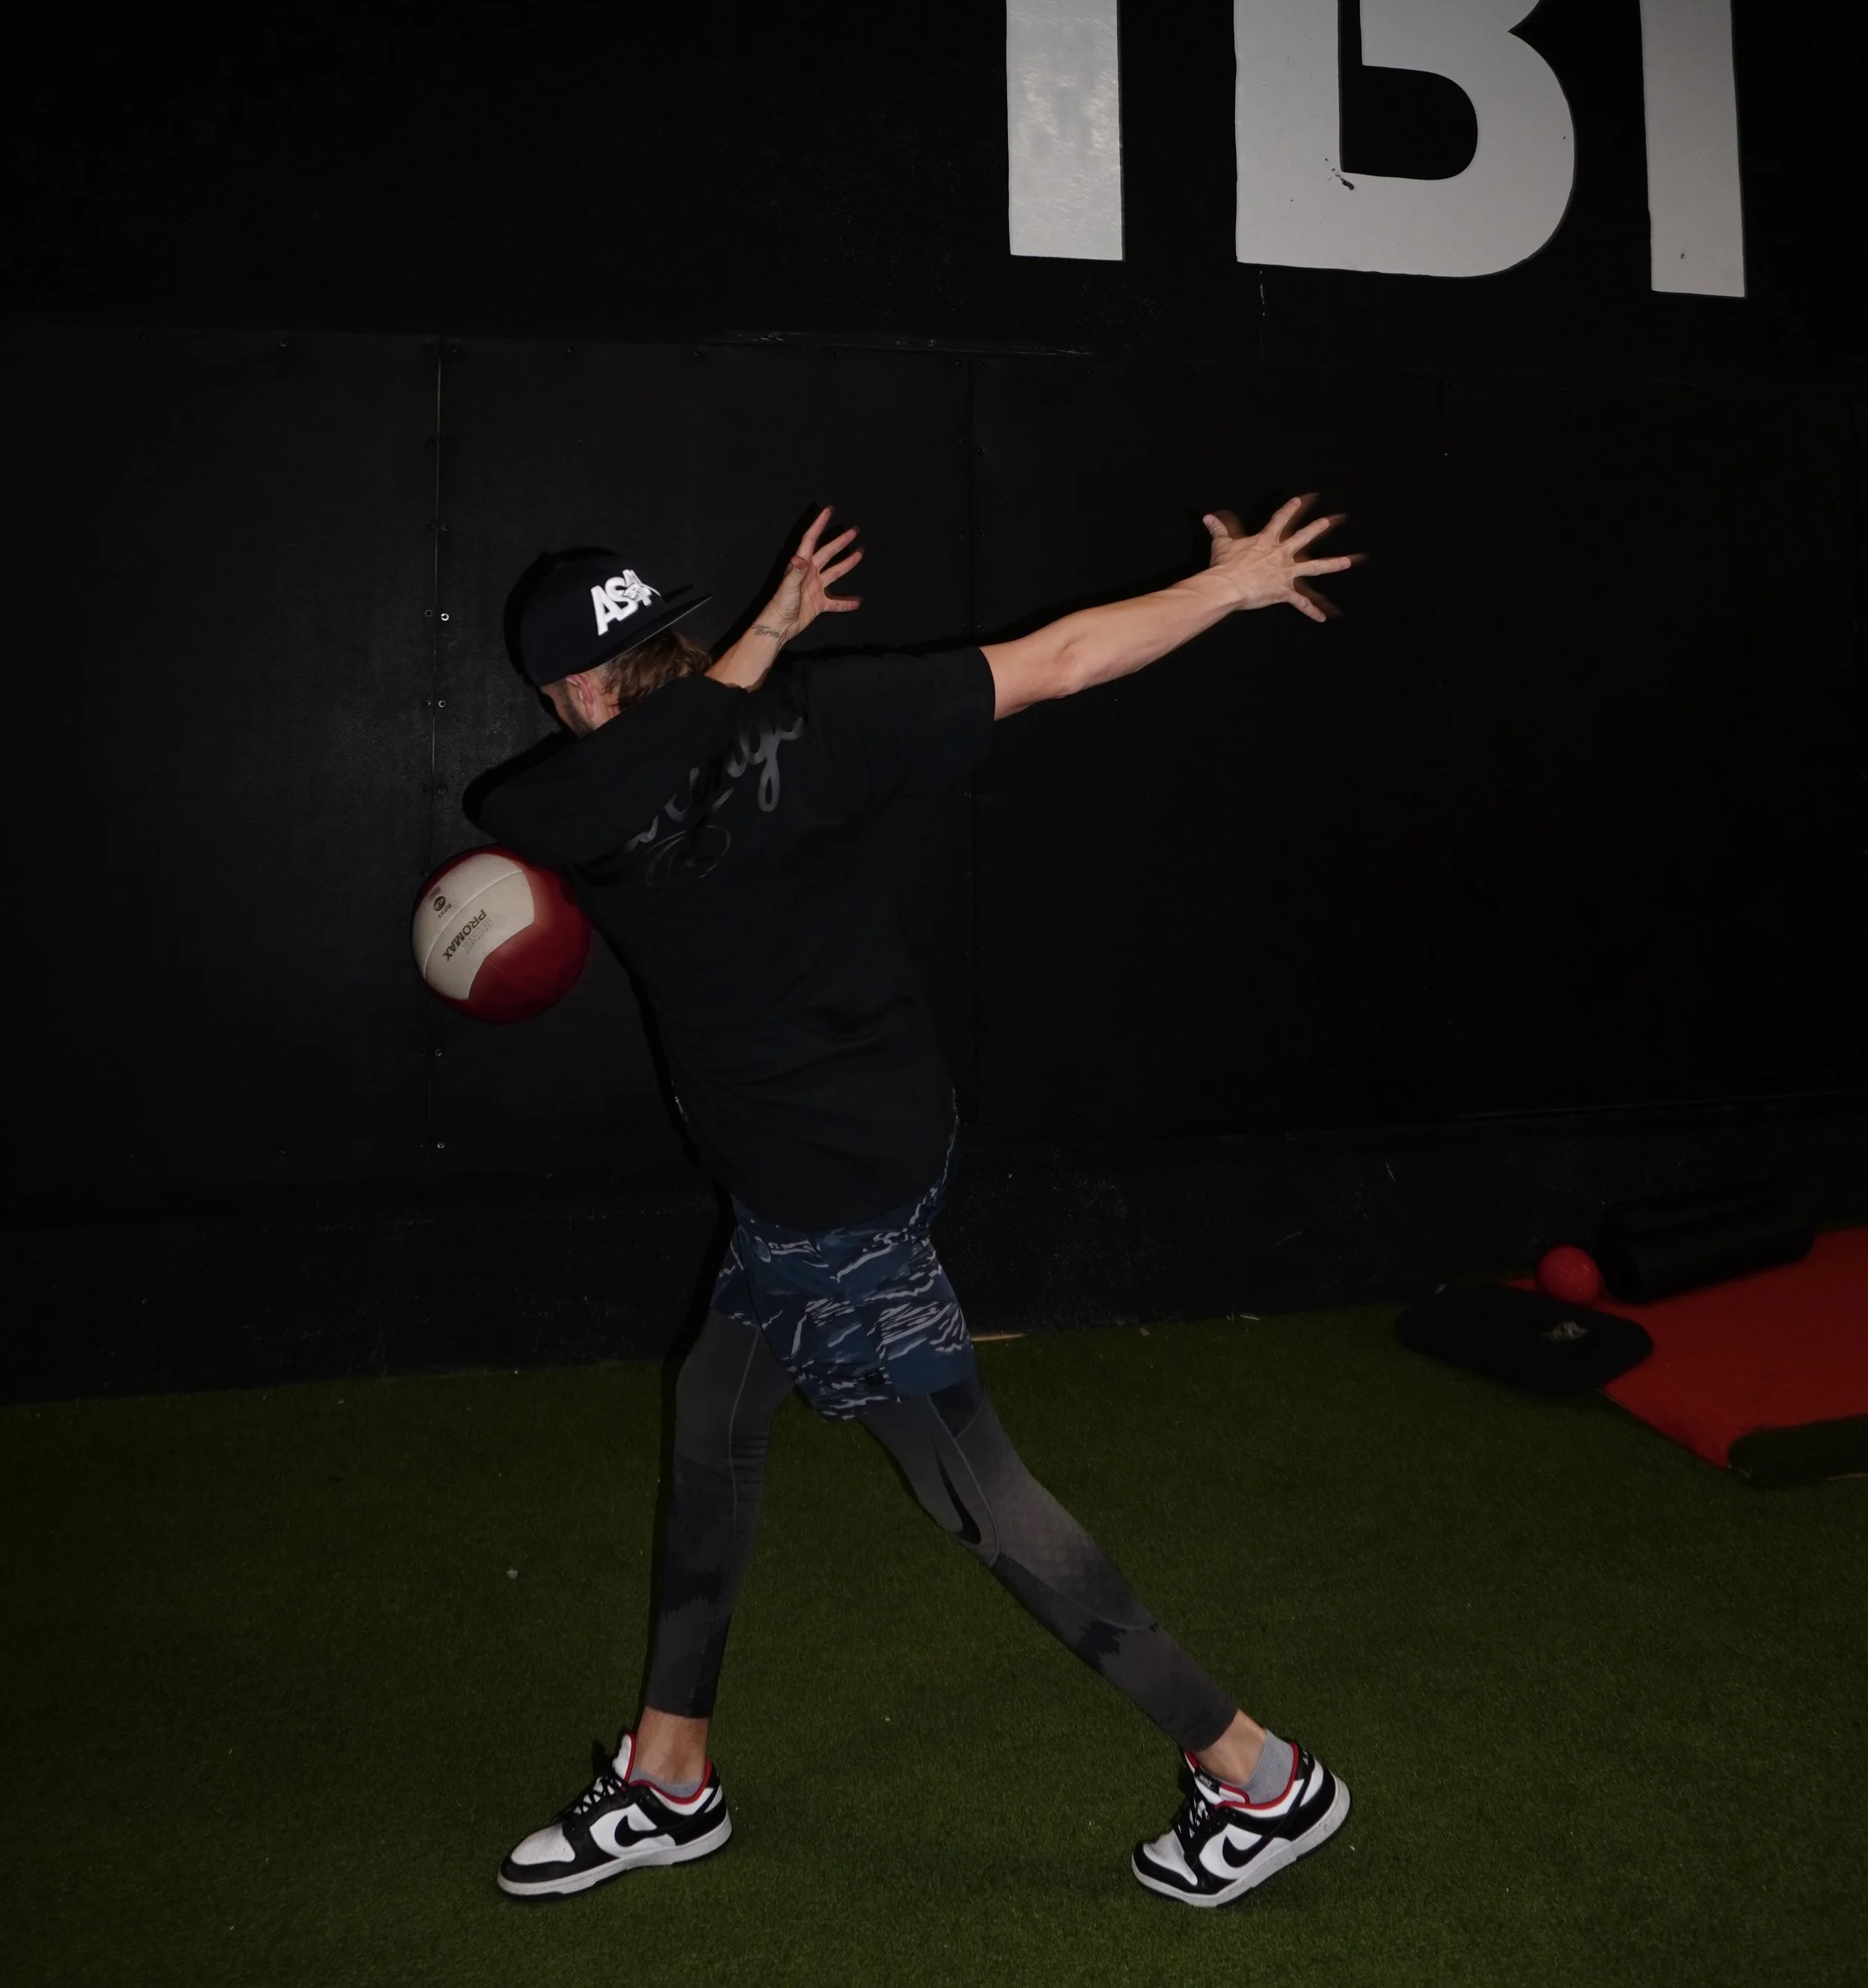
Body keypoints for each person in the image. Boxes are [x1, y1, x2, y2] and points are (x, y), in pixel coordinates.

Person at [480, 493, 1361, 1910]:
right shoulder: (826, 717)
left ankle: (1261, 1775)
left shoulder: (593, 795)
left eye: (565, 688)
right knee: (715, 1423)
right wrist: (1231, 588)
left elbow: (571, 795)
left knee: (981, 1500)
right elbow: (1063, 655)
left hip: (838, 1205)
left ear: (576, 685)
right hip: (862, 1147)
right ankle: (671, 1772)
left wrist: (1238, 587)